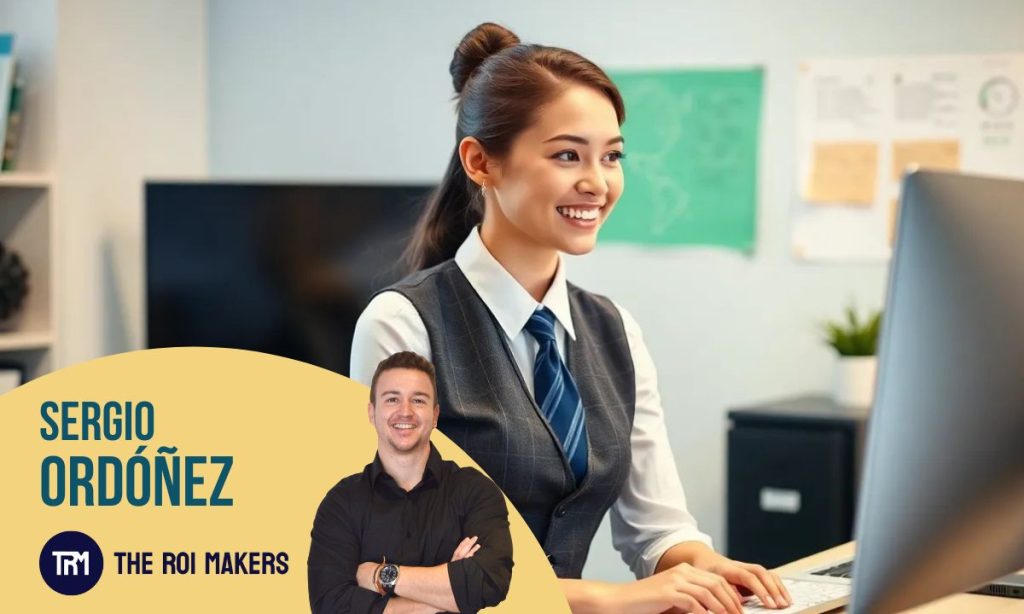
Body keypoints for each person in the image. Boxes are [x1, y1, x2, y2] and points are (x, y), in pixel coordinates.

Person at [351, 22, 792, 614]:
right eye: (567, 155)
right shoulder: (403, 324)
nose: (598, 183)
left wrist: (707, 568)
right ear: (481, 162)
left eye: (611, 156)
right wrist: (607, 599)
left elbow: (656, 529)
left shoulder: (614, 331)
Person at [308, 351, 513, 613]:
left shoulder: (476, 491)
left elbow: (489, 582)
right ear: (372, 413)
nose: (405, 412)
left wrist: (380, 576)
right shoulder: (341, 502)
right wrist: (446, 594)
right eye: (392, 399)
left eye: (418, 400)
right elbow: (329, 605)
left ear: (436, 415)